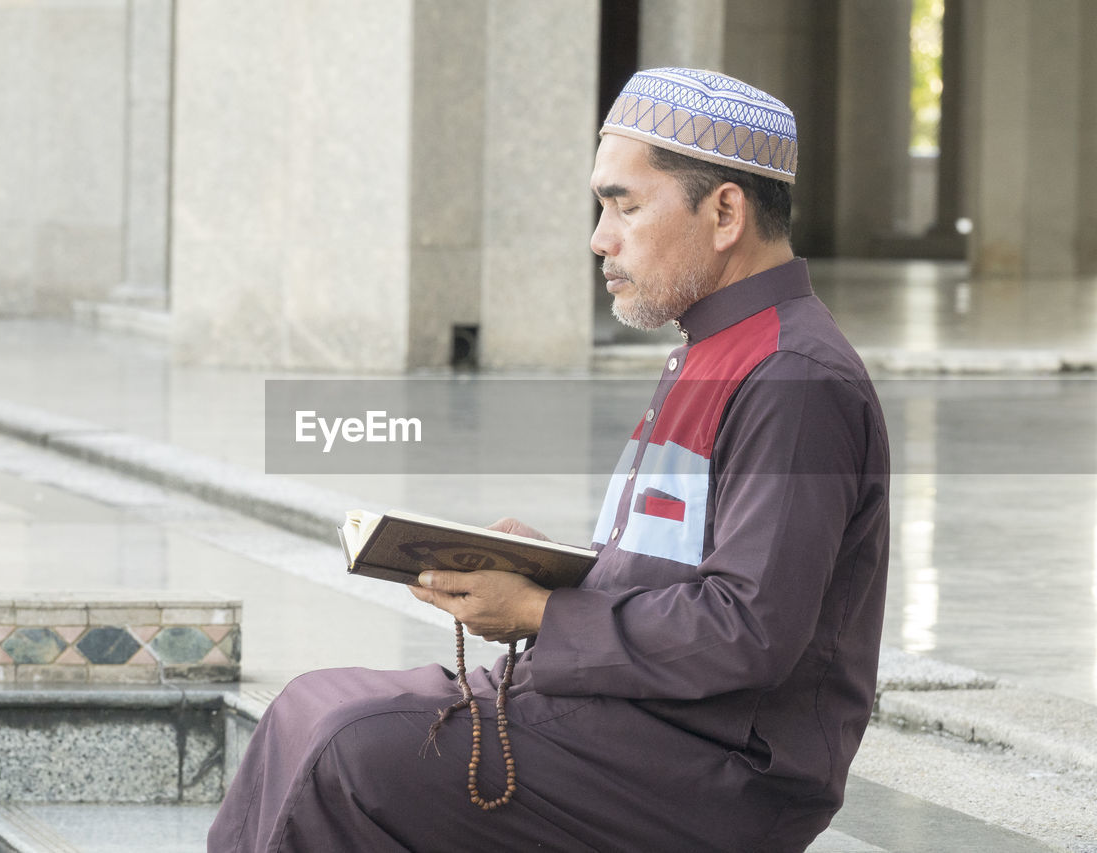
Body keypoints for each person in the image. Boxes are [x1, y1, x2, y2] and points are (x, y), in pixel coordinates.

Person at [208, 67, 889, 853]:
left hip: (717, 767)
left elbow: (750, 629)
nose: (601, 237)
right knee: (304, 708)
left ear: (725, 211)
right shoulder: (715, 351)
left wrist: (536, 612)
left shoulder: (793, 376)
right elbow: (679, 577)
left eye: (624, 204)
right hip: (639, 718)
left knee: (347, 748)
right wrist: (549, 568)